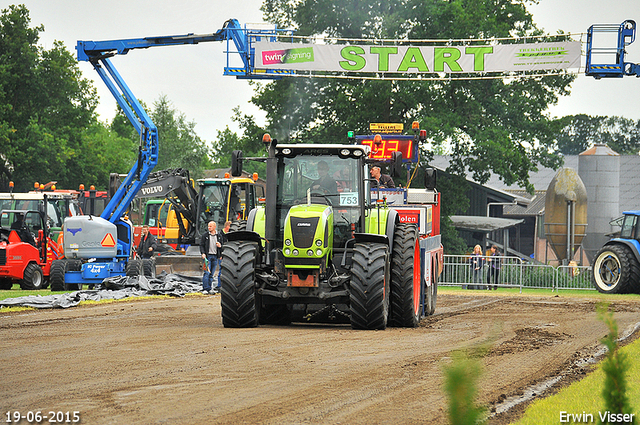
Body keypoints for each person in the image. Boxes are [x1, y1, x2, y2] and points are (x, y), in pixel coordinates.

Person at [200, 221, 221, 294]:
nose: (209, 228)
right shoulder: (205, 236)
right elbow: (201, 245)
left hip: (215, 257)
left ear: (215, 227)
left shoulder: (219, 236)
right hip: (207, 257)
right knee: (206, 273)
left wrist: (220, 247)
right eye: (208, 226)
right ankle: (205, 288)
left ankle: (210, 288)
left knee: (212, 274)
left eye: (210, 226)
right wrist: (203, 253)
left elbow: (223, 245)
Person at [214, 220, 232, 290]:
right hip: (222, 256)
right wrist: (220, 255)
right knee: (221, 271)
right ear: (227, 227)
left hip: (229, 255)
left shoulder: (230, 235)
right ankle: (219, 285)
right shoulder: (220, 235)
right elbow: (218, 246)